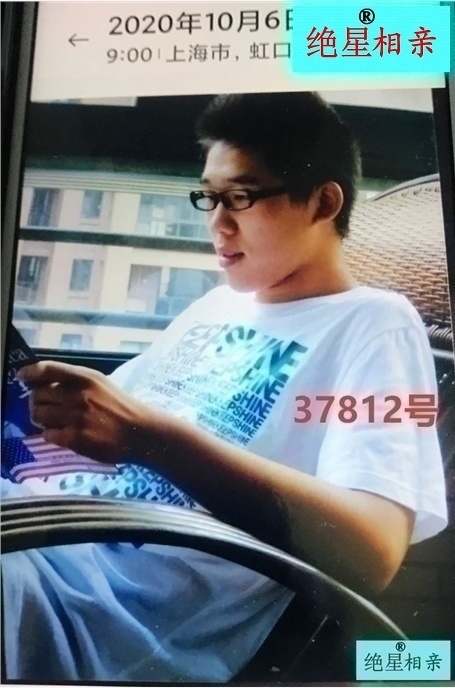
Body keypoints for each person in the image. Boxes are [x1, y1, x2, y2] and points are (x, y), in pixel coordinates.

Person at [2, 92, 447, 682]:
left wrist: (155, 440)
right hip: (42, 526)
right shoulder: (214, 308)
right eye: (208, 197)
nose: (217, 222)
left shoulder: (374, 323)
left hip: (101, 605)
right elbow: (101, 428)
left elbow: (374, 548)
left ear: (323, 201)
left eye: (240, 196)